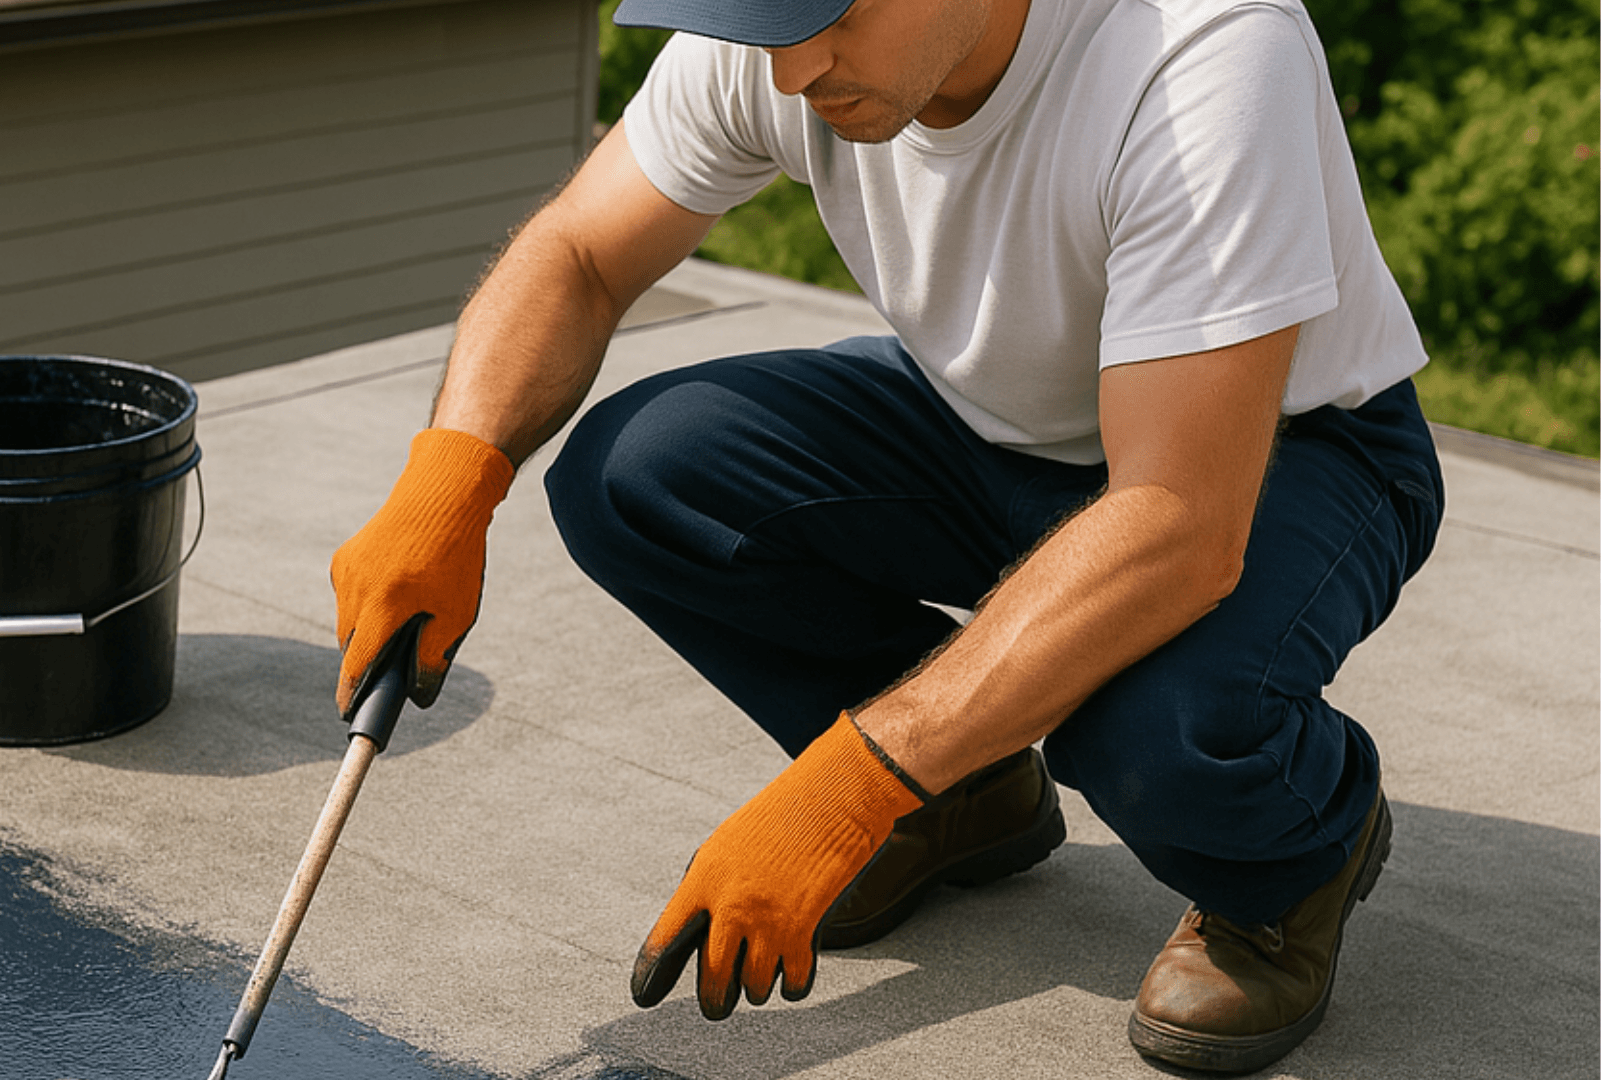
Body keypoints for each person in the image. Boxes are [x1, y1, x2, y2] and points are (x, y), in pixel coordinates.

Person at [327, 0, 1444, 1072]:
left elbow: (1180, 524)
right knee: (641, 477)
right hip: (986, 418)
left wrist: (850, 787)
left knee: (1143, 729)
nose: (790, 70)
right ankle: (962, 796)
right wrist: (451, 482)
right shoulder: (785, 40)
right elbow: (578, 250)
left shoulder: (1202, 52)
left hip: (1279, 451)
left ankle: (1295, 857)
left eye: (832, 13)